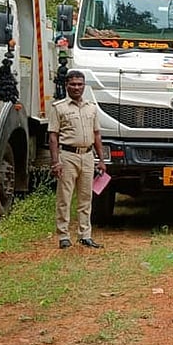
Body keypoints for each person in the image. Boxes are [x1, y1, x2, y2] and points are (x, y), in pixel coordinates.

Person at [49, 70, 106, 249]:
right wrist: (55, 161)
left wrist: (101, 159)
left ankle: (85, 235)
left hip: (87, 156)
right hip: (68, 156)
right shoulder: (59, 108)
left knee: (85, 197)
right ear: (66, 85)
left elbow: (97, 135)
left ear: (84, 86)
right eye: (73, 84)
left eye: (80, 84)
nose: (76, 88)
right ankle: (63, 235)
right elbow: (53, 137)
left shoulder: (91, 107)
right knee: (64, 197)